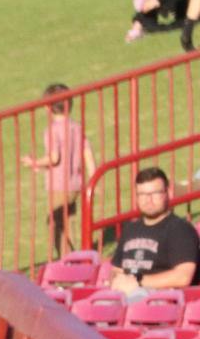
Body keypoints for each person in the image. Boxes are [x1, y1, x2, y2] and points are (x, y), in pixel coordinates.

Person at [20, 84, 94, 256]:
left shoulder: (52, 130)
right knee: (70, 222)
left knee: (55, 224)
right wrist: (93, 177)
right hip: (76, 183)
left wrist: (35, 162)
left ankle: (68, 260)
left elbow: (54, 158)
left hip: (59, 186)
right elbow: (87, 152)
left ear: (47, 107)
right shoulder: (76, 127)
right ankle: (79, 255)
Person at [108, 167, 200, 296]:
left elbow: (183, 277)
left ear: (167, 193)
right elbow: (116, 270)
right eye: (143, 194)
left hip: (162, 300)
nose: (148, 200)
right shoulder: (130, 229)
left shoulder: (181, 230)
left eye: (154, 193)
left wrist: (138, 281)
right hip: (124, 294)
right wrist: (118, 281)